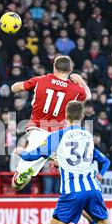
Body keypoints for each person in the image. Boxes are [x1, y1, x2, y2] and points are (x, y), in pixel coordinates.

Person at [10, 55, 91, 191]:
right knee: (67, 161)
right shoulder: (75, 89)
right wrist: (81, 81)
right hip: (57, 135)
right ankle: (56, 158)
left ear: (54, 67)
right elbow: (88, 95)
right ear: (70, 69)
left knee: (16, 184)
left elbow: (15, 88)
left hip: (37, 130)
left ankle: (29, 168)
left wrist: (16, 85)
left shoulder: (41, 80)